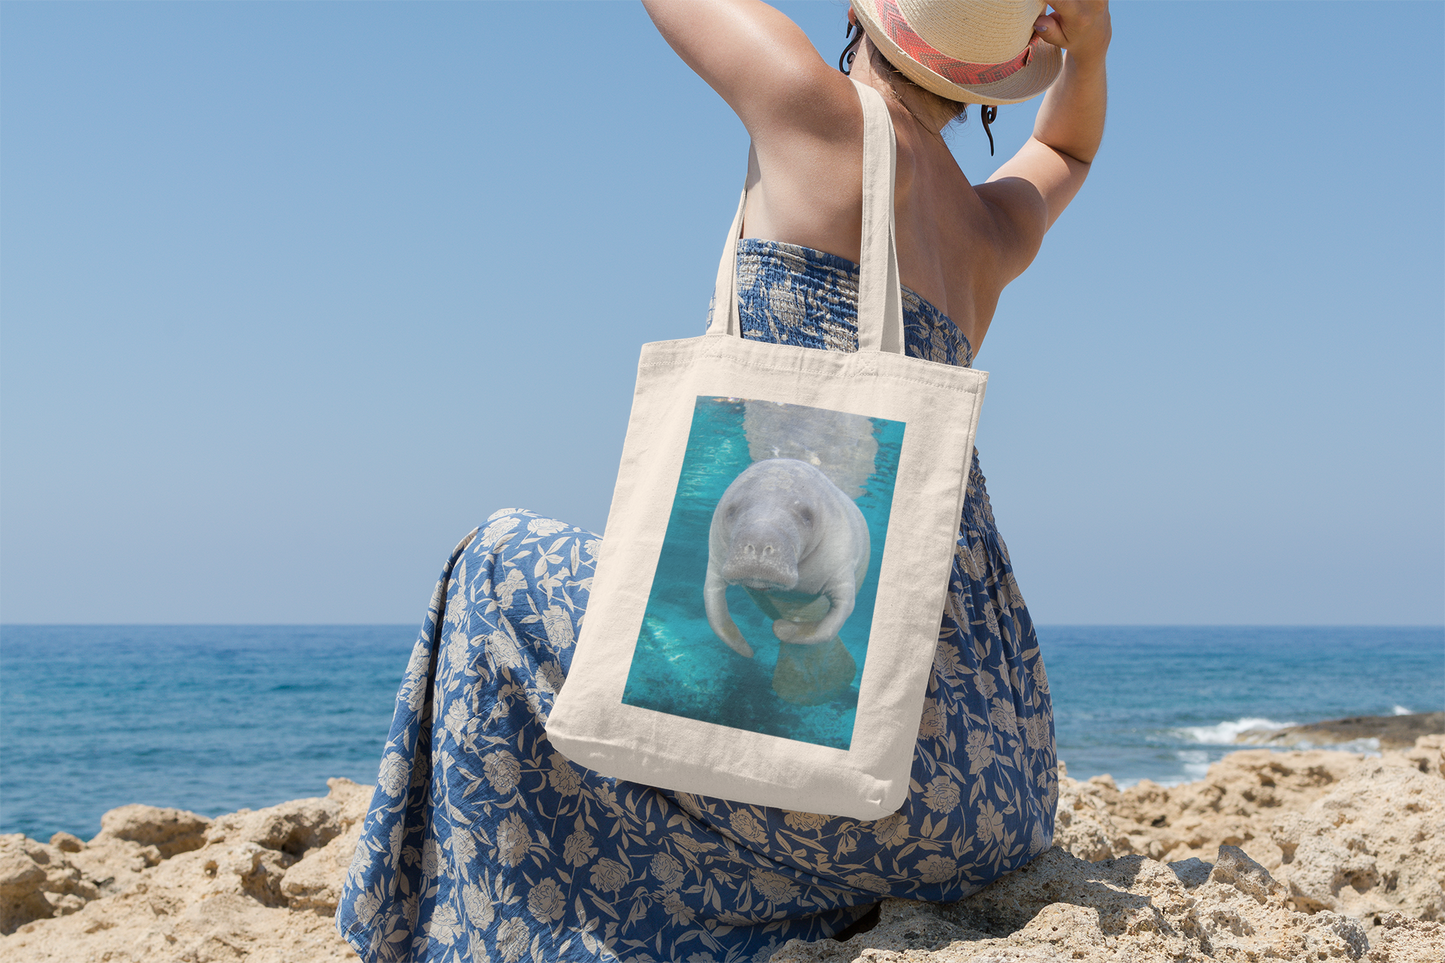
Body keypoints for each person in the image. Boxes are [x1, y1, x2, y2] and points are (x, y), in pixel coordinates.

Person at [336, 1, 1110, 960]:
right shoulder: (989, 230)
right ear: (988, 80)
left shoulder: (814, 109)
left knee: (493, 565)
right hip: (987, 786)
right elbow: (1067, 154)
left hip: (848, 773)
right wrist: (1090, 48)